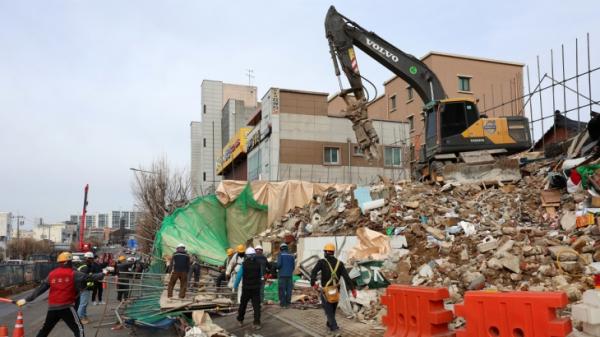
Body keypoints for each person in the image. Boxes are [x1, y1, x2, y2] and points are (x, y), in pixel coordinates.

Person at [13, 251, 110, 337]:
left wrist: (26, 300)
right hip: (67, 307)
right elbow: (90, 277)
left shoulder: (52, 274)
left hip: (52, 308)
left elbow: (40, 289)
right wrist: (104, 273)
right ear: (68, 262)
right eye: (71, 261)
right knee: (78, 329)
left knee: (45, 331)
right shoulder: (73, 273)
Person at [310, 243, 357, 336]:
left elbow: (313, 272)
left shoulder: (322, 262)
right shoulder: (340, 263)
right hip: (335, 290)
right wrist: (353, 290)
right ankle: (329, 324)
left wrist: (313, 283)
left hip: (325, 290)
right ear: (333, 252)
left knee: (328, 309)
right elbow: (347, 277)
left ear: (326, 252)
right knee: (332, 309)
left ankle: (335, 328)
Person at [233, 247, 262, 331]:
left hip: (246, 288)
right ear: (254, 255)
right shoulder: (258, 264)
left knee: (243, 305)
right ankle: (257, 323)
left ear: (247, 255)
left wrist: (235, 286)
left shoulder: (244, 264)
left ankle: (240, 320)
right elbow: (260, 276)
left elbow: (239, 276)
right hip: (256, 288)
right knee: (256, 306)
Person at [76, 252, 96, 324]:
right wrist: (94, 277)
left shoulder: (85, 265)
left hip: (84, 287)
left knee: (85, 303)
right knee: (83, 303)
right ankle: (80, 319)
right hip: (84, 287)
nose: (92, 260)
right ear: (88, 258)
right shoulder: (85, 267)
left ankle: (84, 316)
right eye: (91, 259)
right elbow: (84, 278)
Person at [276, 243, 295, 308]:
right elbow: (293, 266)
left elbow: (279, 265)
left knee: (282, 290)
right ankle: (288, 303)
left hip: (282, 275)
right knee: (289, 290)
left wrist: (276, 268)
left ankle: (283, 304)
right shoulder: (291, 255)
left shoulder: (280, 255)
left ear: (281, 248)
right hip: (289, 275)